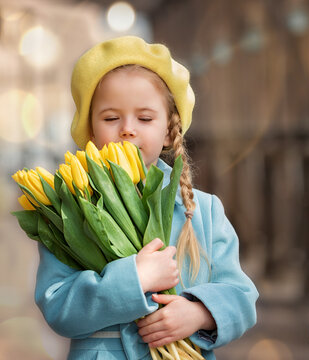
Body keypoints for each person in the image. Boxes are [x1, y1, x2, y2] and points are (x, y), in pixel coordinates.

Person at [35, 36, 258, 360]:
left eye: (145, 118)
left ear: (169, 130)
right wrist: (132, 279)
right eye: (111, 118)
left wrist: (199, 313)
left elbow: (241, 296)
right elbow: (57, 305)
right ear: (92, 132)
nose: (127, 129)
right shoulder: (68, 209)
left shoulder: (204, 210)